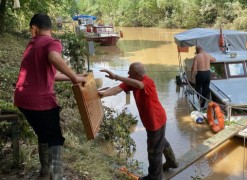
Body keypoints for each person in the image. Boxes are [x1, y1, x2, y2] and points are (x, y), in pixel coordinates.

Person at [14, 13, 86, 180]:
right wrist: (75, 78)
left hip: (22, 100)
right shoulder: (52, 42)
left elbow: (50, 75)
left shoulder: (32, 45)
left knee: (43, 134)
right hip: (40, 101)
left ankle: (45, 172)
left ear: (34, 28)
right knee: (55, 138)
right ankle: (57, 176)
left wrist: (73, 75)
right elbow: (54, 58)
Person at [99, 62, 178, 180]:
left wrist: (116, 76)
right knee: (160, 141)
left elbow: (140, 85)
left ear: (136, 73)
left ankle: (154, 177)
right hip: (155, 119)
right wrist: (103, 94)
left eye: (129, 72)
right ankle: (172, 161)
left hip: (155, 121)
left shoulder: (147, 82)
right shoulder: (132, 81)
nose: (127, 73)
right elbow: (117, 89)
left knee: (153, 151)